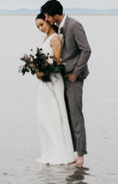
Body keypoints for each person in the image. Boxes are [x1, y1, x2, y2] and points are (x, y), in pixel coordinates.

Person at [41, 0, 91, 168]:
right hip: (62, 78)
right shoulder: (58, 29)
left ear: (55, 15)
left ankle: (81, 155)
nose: (46, 20)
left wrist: (75, 74)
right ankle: (70, 151)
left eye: (47, 17)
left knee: (76, 115)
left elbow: (86, 50)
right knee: (65, 115)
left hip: (73, 78)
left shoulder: (74, 25)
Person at [34, 12, 77, 165]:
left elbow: (56, 62)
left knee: (54, 113)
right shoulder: (44, 39)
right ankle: (49, 151)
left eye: (42, 24)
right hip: (43, 82)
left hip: (52, 80)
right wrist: (35, 68)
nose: (40, 28)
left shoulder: (55, 39)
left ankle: (61, 152)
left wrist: (42, 71)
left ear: (49, 22)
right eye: (38, 26)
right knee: (43, 116)